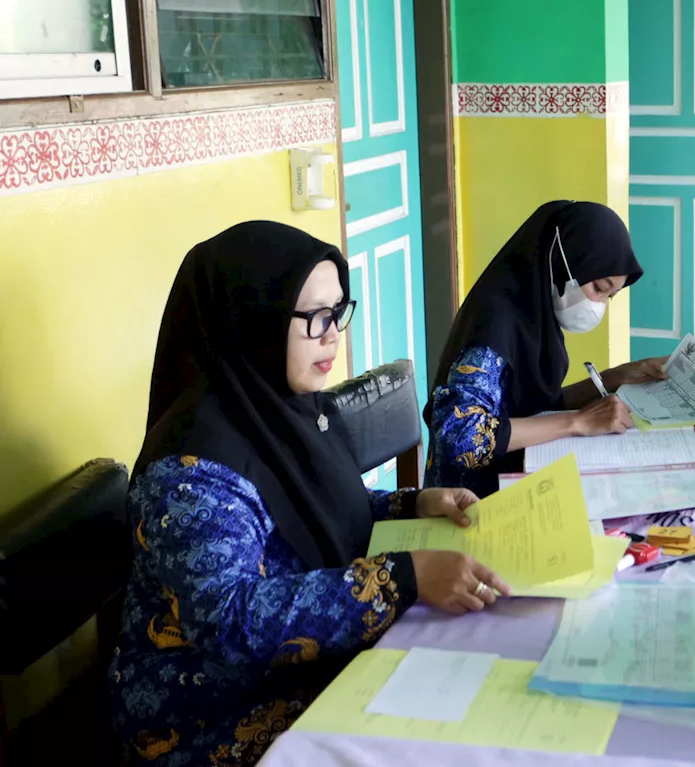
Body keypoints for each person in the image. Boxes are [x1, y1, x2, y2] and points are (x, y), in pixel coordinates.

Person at [109, 222, 509, 765]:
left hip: (291, 670)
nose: (332, 336)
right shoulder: (191, 471)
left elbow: (314, 517)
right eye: (314, 318)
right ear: (252, 322)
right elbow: (228, 618)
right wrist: (403, 578)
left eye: (338, 311)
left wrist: (411, 504)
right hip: (208, 713)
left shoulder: (293, 410)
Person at [428, 201, 666, 497]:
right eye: (599, 288)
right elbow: (462, 438)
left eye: (610, 296)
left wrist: (618, 377)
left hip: (516, 479)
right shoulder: (495, 324)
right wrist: (578, 422)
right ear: (565, 260)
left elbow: (535, 405)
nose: (599, 305)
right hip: (467, 501)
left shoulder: (532, 315)